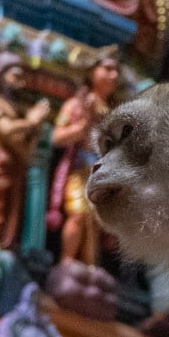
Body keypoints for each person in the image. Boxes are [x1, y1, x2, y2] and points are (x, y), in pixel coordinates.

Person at [48, 55, 119, 264]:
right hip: (79, 170)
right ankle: (67, 262)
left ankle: (89, 268)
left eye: (116, 71)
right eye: (107, 69)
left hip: (103, 176)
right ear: (91, 72)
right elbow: (56, 136)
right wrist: (82, 126)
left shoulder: (114, 113)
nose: (113, 75)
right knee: (78, 215)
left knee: (94, 225)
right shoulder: (75, 105)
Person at [0, 53, 49, 249]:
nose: (21, 82)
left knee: (11, 219)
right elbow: (5, 129)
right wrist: (31, 122)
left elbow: (27, 152)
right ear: (0, 75)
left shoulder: (17, 110)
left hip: (14, 165)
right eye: (15, 75)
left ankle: (2, 249)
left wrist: (36, 127)